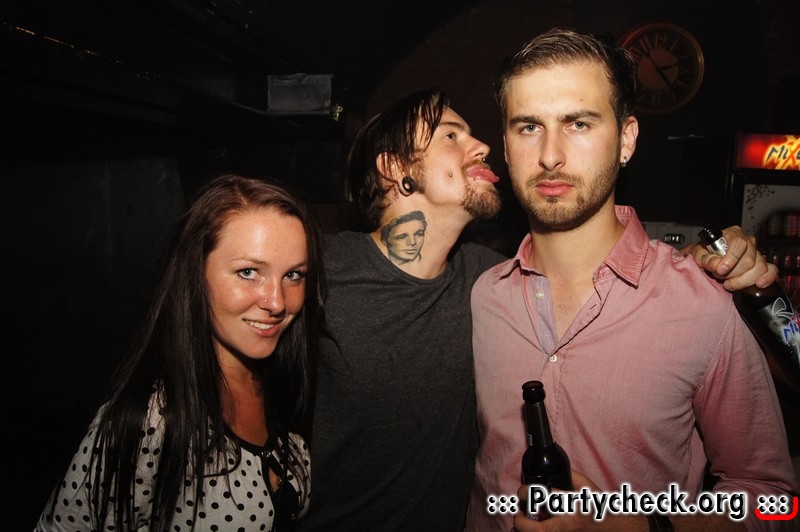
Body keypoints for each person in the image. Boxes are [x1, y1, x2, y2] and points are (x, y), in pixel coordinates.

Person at [296, 87, 779, 531]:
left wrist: (695, 266)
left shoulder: (488, 282)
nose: (481, 146)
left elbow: (598, 269)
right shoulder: (317, 271)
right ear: (392, 168)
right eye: (451, 135)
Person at [467, 28, 798, 531]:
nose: (550, 155)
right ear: (507, 147)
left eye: (578, 123)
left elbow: (774, 500)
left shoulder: (702, 304)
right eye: (529, 126)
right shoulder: (483, 297)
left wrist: (640, 527)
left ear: (626, 140)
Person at [36, 173, 326, 531]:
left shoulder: (284, 385)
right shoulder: (152, 420)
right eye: (249, 272)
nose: (277, 301)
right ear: (196, 275)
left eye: (294, 275)